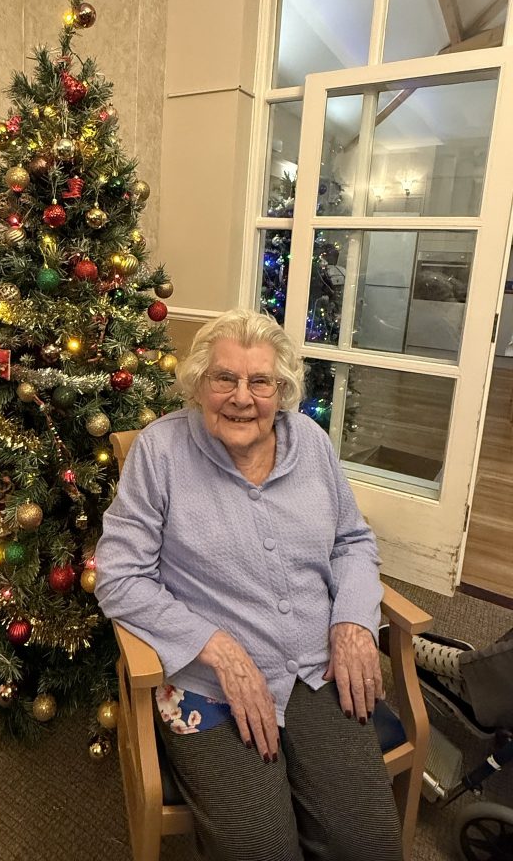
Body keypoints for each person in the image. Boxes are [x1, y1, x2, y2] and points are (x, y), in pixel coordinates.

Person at [94, 309, 402, 861]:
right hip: (208, 685)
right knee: (263, 849)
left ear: (280, 390)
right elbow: (118, 575)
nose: (241, 396)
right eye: (224, 379)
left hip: (315, 665)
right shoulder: (160, 453)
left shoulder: (310, 442)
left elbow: (352, 541)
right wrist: (217, 647)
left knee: (369, 841)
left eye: (260, 381)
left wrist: (353, 620)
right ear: (198, 383)